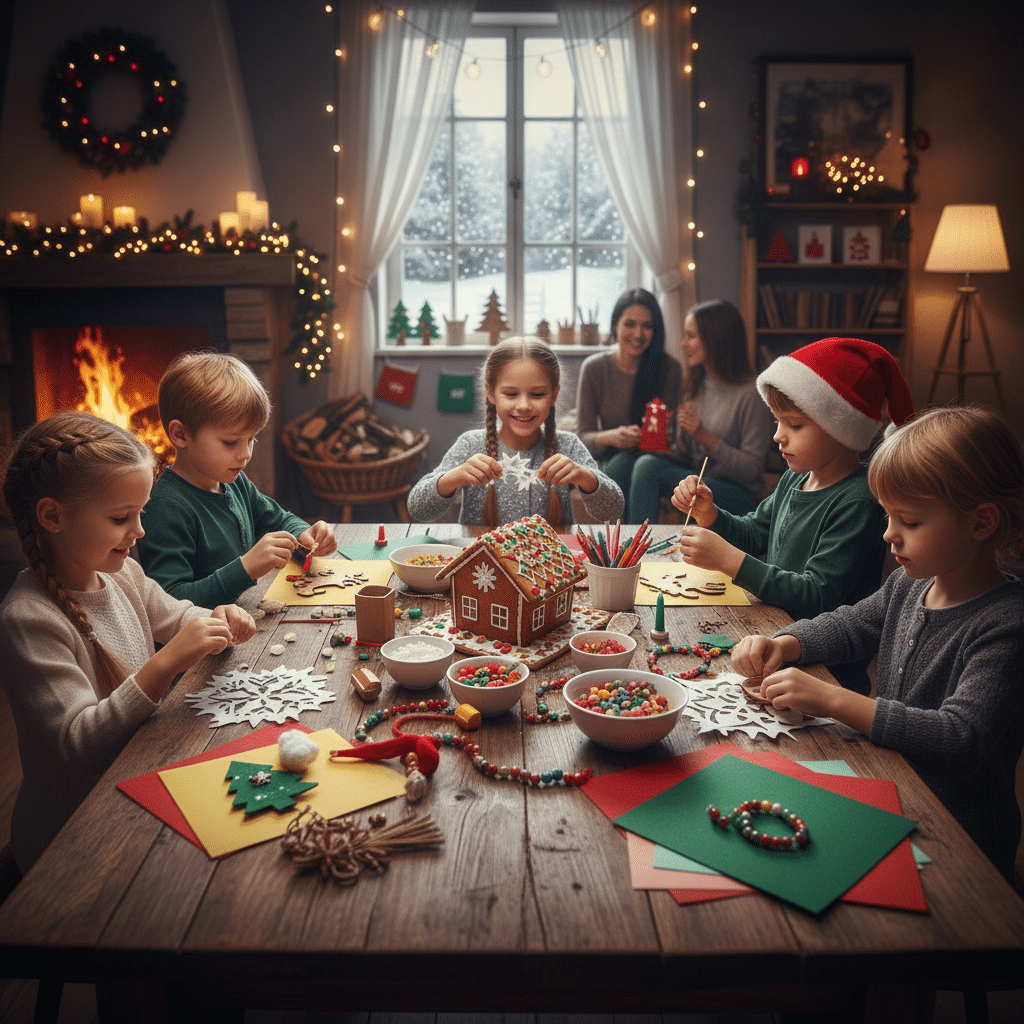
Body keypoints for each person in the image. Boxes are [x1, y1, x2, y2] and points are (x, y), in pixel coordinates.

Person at [731, 406, 1024, 881]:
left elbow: (959, 739)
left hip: (960, 840)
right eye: (889, 516)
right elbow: (851, 626)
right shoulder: (910, 585)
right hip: (889, 792)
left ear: (981, 522)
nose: (889, 534)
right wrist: (785, 642)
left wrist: (833, 700)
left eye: (908, 521)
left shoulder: (1006, 623)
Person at [0, 412, 257, 873]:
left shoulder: (124, 576)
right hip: (72, 840)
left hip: (135, 784)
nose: (139, 531)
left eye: (140, 512)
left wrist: (218, 617)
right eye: (121, 517)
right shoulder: (29, 619)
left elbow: (178, 616)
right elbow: (80, 743)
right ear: (52, 516)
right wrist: (165, 664)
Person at [671, 337, 914, 694]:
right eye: (777, 421)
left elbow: (818, 596)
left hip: (825, 675)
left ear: (841, 429)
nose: (778, 436)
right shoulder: (795, 478)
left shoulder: (857, 503)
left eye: (794, 425)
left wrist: (732, 562)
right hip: (776, 646)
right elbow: (754, 533)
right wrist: (710, 514)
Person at [137, 352, 337, 606]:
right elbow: (170, 603)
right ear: (181, 434)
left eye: (251, 439)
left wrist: (304, 535)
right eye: (230, 442)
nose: (245, 454)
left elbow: (277, 519)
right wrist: (246, 568)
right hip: (205, 641)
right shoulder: (166, 507)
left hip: (246, 617)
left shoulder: (233, 482)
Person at [408, 336, 623, 526]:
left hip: (549, 568)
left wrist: (587, 478)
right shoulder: (471, 445)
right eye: (511, 394)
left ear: (554, 395)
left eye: (537, 394)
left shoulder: (568, 446)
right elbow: (418, 510)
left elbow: (613, 511)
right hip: (485, 567)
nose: (523, 406)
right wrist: (452, 478)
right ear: (490, 393)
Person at [628, 299, 773, 523]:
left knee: (648, 469)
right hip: (698, 481)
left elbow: (752, 470)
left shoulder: (750, 394)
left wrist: (704, 436)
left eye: (691, 336)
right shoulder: (694, 384)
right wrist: (662, 440)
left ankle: (637, 550)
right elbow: (690, 457)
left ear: (716, 340)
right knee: (642, 461)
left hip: (737, 492)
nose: (684, 343)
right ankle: (636, 548)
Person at [574, 288, 682, 516]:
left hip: (653, 461)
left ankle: (632, 545)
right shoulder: (594, 368)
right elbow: (583, 437)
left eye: (647, 326)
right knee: (623, 461)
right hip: (611, 458)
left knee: (640, 464)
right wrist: (613, 436)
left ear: (656, 330)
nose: (638, 333)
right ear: (615, 326)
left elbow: (671, 437)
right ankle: (628, 546)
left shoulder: (669, 369)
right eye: (630, 324)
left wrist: (657, 436)